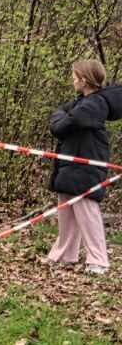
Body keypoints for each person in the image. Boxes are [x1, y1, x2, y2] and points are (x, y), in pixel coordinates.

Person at [45, 59, 122, 274]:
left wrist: (63, 118)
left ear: (84, 80)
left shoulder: (94, 104)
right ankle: (65, 253)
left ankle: (99, 259)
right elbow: (59, 116)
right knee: (66, 208)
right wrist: (62, 117)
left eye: (74, 77)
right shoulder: (82, 100)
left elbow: (62, 124)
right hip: (70, 161)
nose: (72, 81)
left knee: (87, 211)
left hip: (85, 163)